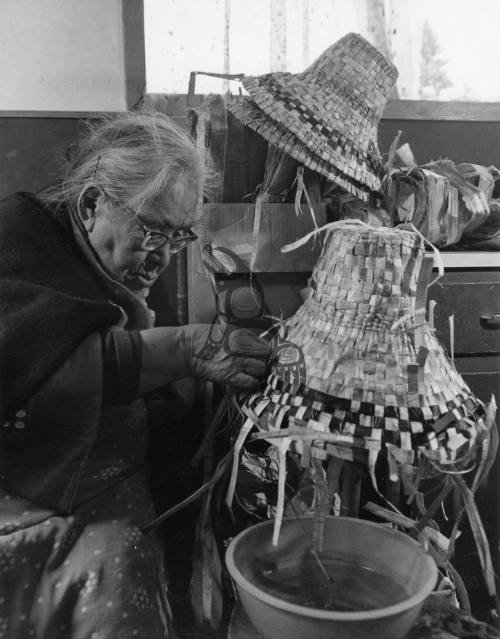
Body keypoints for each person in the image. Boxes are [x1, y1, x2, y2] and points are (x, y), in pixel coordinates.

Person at [0, 111, 271, 639]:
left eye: (180, 237)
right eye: (152, 232)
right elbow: (22, 364)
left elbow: (152, 382)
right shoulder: (16, 241)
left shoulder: (129, 260)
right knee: (114, 563)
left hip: (107, 469)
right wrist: (184, 349)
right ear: (92, 204)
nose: (163, 257)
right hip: (19, 475)